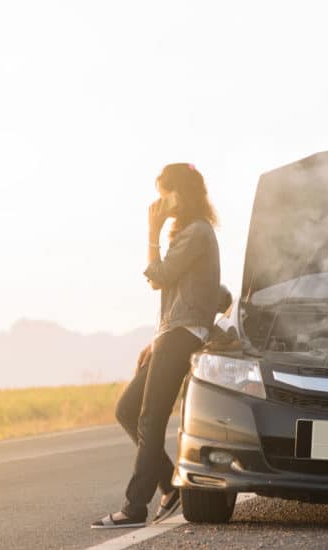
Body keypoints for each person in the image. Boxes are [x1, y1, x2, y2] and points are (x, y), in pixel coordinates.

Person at [91, 163, 220, 529]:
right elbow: (180, 294)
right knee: (127, 409)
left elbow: (158, 278)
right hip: (172, 334)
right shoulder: (190, 233)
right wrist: (157, 337)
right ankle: (170, 483)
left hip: (183, 336)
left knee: (150, 417)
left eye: (166, 193)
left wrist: (151, 231)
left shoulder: (196, 232)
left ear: (184, 192)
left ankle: (134, 507)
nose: (160, 201)